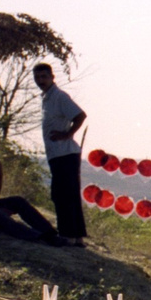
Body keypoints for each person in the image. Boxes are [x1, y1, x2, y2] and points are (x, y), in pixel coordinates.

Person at [33, 62, 89, 247]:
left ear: (52, 77)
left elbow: (80, 115)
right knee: (66, 194)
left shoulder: (59, 97)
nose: (41, 81)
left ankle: (68, 235)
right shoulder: (47, 99)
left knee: (63, 194)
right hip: (56, 154)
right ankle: (77, 236)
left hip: (65, 153)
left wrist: (67, 134)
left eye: (44, 77)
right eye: (38, 77)